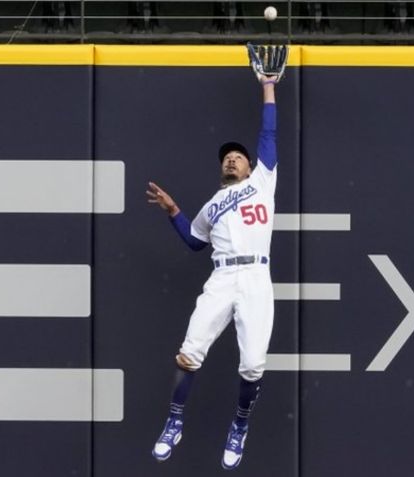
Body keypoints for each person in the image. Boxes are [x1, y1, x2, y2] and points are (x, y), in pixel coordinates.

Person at [146, 73, 279, 470]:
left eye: (238, 155)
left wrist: (268, 86)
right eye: (227, 156)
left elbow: (268, 133)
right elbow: (194, 241)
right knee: (189, 353)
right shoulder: (209, 207)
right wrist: (173, 212)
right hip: (222, 278)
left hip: (256, 277)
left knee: (253, 364)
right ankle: (174, 421)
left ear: (250, 164)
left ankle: (239, 426)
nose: (231, 158)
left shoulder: (262, 181)